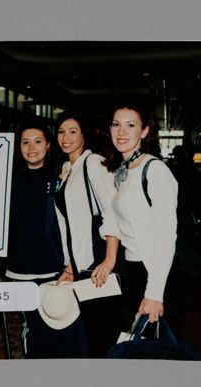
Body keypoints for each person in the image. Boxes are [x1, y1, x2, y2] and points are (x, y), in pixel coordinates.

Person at [6, 119, 84, 358]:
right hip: (19, 269)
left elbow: (72, 225)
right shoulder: (8, 181)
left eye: (38, 141)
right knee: (33, 328)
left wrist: (71, 262)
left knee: (61, 326)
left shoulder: (60, 179)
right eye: (25, 142)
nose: (31, 148)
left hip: (53, 268)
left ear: (48, 145)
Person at [102, 101, 178, 329]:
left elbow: (166, 235)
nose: (121, 132)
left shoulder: (154, 170)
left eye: (130, 125)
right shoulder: (123, 170)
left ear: (144, 131)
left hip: (154, 271)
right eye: (116, 124)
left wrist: (155, 293)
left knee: (155, 349)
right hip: (133, 269)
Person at [53, 110, 122, 358]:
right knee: (89, 332)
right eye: (61, 132)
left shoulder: (93, 163)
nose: (66, 138)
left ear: (84, 135)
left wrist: (109, 259)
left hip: (97, 264)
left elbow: (112, 211)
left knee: (102, 335)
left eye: (73, 131)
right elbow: (70, 225)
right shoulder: (68, 168)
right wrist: (70, 266)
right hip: (81, 265)